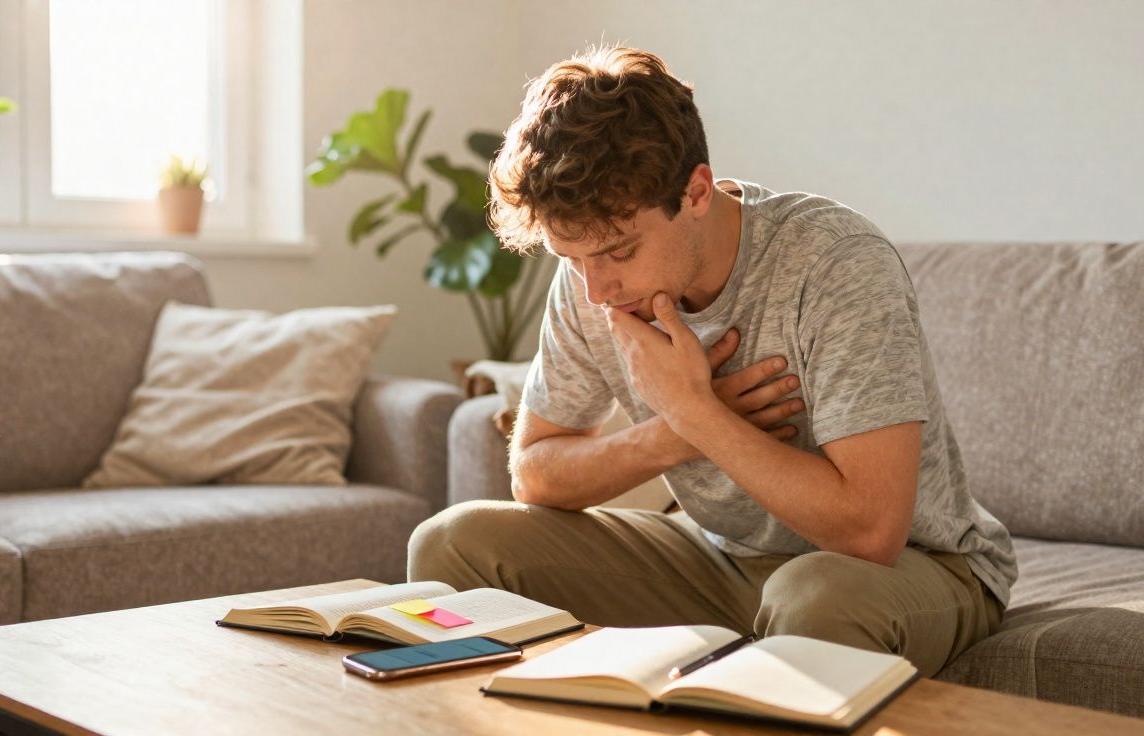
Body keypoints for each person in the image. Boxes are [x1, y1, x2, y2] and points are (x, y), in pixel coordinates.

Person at [408, 45, 1016, 676]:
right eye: (570, 257)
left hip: (904, 570)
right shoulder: (591, 276)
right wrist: (672, 434)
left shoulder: (834, 263)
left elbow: (869, 532)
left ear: (696, 192)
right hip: (721, 561)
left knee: (813, 599)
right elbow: (534, 473)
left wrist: (699, 414)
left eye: (619, 252)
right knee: (452, 544)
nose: (595, 290)